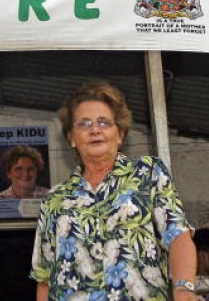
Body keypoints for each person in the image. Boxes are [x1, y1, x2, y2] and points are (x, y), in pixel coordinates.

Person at [31, 81, 196, 301]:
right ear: (71, 137)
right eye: (84, 124)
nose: (95, 129)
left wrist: (184, 288)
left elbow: (178, 236)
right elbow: (45, 275)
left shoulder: (148, 174)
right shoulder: (55, 199)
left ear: (120, 134)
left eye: (104, 122)